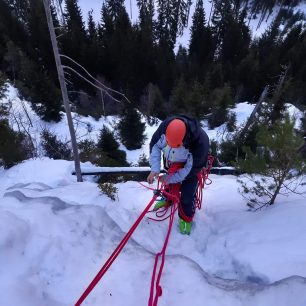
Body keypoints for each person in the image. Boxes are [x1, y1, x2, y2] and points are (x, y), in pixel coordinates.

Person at [147, 115, 209, 235]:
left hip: (191, 167)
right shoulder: (164, 129)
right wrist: (155, 169)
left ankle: (186, 217)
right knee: (169, 184)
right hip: (173, 161)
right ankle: (168, 198)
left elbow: (189, 171)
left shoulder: (200, 143)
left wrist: (171, 178)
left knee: (188, 192)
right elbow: (156, 145)